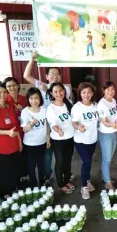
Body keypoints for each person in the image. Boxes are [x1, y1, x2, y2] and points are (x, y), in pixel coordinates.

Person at [23, 51, 74, 184]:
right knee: (48, 153)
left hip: (59, 123)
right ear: (46, 76)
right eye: (52, 74)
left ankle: (64, 173)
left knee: (62, 154)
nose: (55, 76)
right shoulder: (42, 86)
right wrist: (32, 60)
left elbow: (61, 99)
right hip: (45, 124)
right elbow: (26, 75)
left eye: (57, 74)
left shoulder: (65, 90)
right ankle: (47, 175)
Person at [46, 83, 75, 193]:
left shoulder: (68, 103)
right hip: (58, 140)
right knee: (60, 161)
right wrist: (58, 130)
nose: (59, 93)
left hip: (70, 138)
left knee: (68, 161)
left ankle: (67, 180)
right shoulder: (51, 108)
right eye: (56, 92)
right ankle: (60, 183)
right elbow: (52, 124)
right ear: (52, 94)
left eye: (61, 90)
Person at [71, 82, 98, 200]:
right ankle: (84, 187)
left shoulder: (95, 105)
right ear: (80, 94)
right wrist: (78, 127)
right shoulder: (77, 107)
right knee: (86, 162)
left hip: (92, 139)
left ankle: (87, 181)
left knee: (89, 162)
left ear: (92, 93)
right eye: (83, 92)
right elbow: (73, 122)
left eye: (89, 92)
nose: (86, 95)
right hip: (81, 140)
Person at [20, 87, 50, 187]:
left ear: (40, 98)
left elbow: (47, 126)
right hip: (30, 144)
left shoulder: (44, 110)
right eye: (31, 98)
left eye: (36, 98)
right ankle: (33, 185)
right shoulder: (25, 112)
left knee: (41, 165)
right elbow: (25, 129)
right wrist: (31, 124)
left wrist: (48, 139)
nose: (34, 101)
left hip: (42, 143)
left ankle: (42, 182)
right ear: (28, 99)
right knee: (31, 166)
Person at [3, 77, 28, 185]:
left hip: (25, 132)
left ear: (18, 86)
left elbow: (31, 113)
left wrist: (22, 109)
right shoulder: (4, 101)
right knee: (14, 156)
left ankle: (25, 176)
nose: (12, 88)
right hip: (12, 133)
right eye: (9, 86)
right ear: (6, 88)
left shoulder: (25, 99)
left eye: (14, 85)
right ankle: (16, 179)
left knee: (25, 155)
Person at [97, 81, 117, 190]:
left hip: (113, 133)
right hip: (106, 134)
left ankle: (106, 177)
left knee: (109, 157)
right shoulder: (102, 104)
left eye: (112, 89)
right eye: (108, 89)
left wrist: (116, 126)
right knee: (107, 159)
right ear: (103, 90)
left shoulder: (113, 101)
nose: (110, 91)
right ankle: (107, 182)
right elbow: (104, 121)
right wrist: (115, 125)